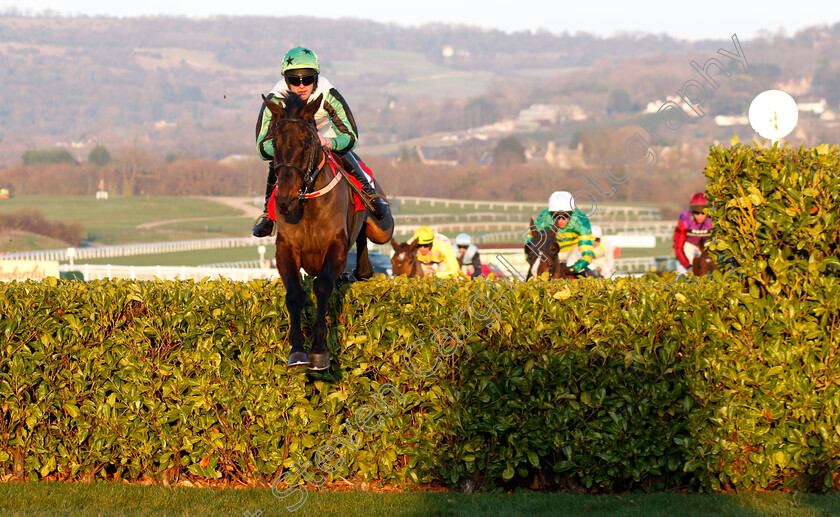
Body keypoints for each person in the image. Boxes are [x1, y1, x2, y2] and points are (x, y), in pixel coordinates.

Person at [252, 46, 390, 237]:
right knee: (280, 160)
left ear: (316, 78)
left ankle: (370, 195)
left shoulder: (328, 93)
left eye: (307, 79)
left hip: (326, 135)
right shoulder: (274, 99)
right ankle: (268, 215)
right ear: (286, 80)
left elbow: (351, 136)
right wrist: (283, 146)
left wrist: (327, 141)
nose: (301, 86)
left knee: (342, 152)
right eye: (294, 80)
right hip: (293, 145)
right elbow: (261, 148)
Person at [527, 191, 595, 275]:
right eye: (556, 216)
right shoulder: (543, 219)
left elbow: (588, 253)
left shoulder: (580, 220)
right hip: (551, 253)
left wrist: (575, 268)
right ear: (551, 214)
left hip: (572, 250)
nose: (560, 221)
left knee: (571, 262)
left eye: (565, 216)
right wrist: (531, 260)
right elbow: (529, 244)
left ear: (571, 213)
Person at [673, 192, 713, 275]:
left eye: (703, 213)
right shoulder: (684, 219)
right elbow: (678, 247)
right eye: (697, 213)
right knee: (683, 275)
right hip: (688, 248)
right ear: (692, 212)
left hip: (707, 247)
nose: (700, 216)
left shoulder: (713, 219)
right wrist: (688, 266)